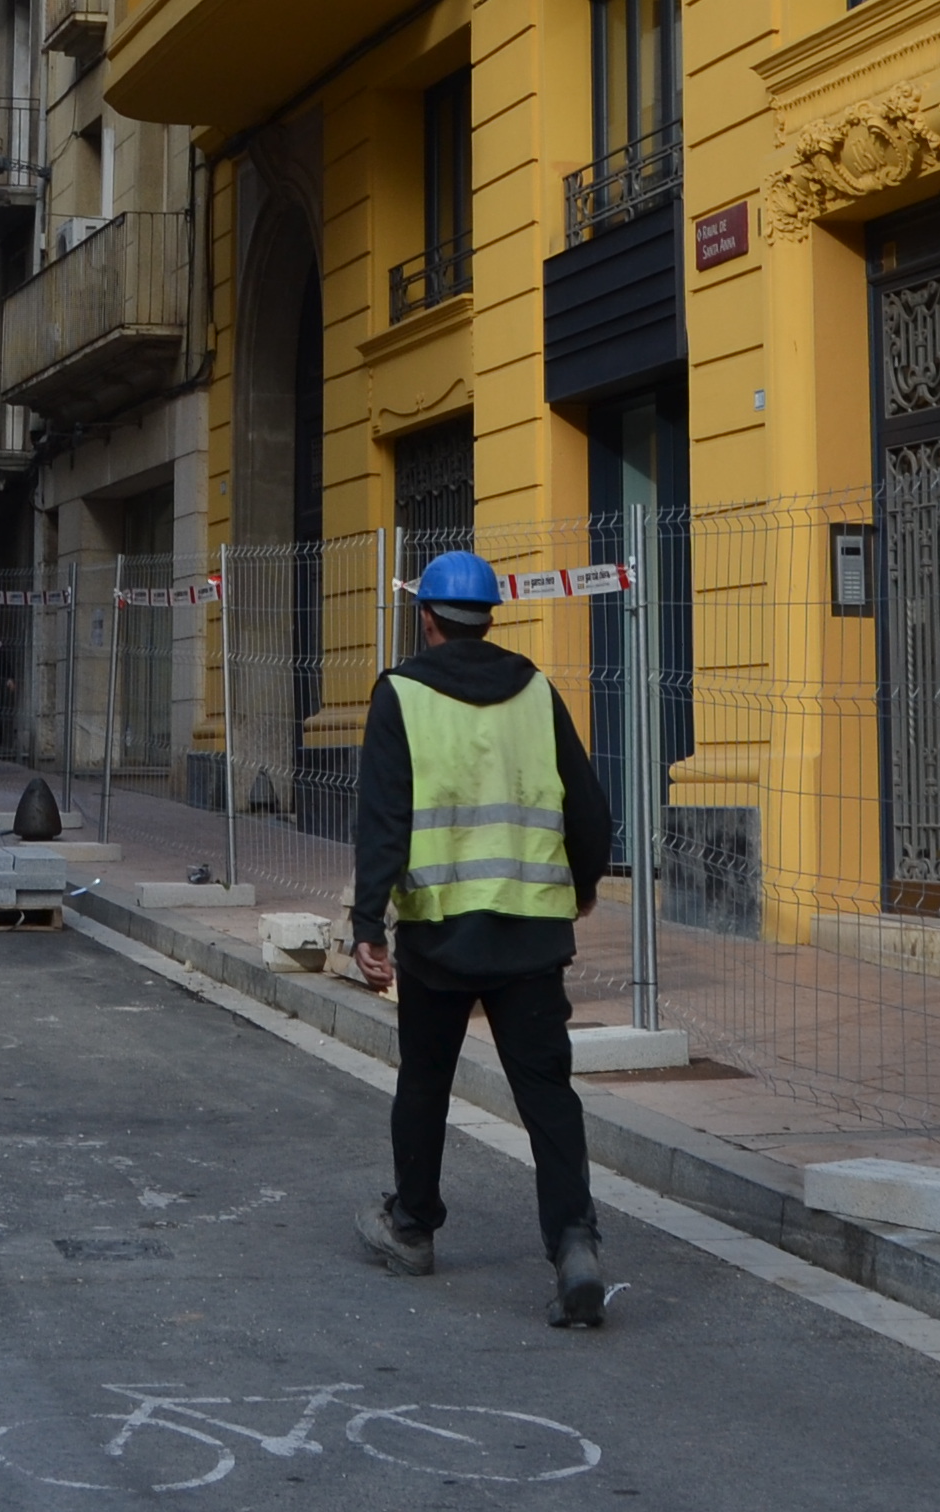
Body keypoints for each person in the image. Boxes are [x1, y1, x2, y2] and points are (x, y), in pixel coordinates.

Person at [348, 548, 618, 1326]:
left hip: (439, 937)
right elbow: (588, 806)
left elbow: (384, 818)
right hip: (531, 934)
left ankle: (413, 1225)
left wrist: (369, 922)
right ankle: (574, 1242)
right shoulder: (536, 690)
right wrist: (585, 882)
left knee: (426, 1081)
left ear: (426, 617)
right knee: (546, 1094)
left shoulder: (401, 693)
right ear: (488, 615)